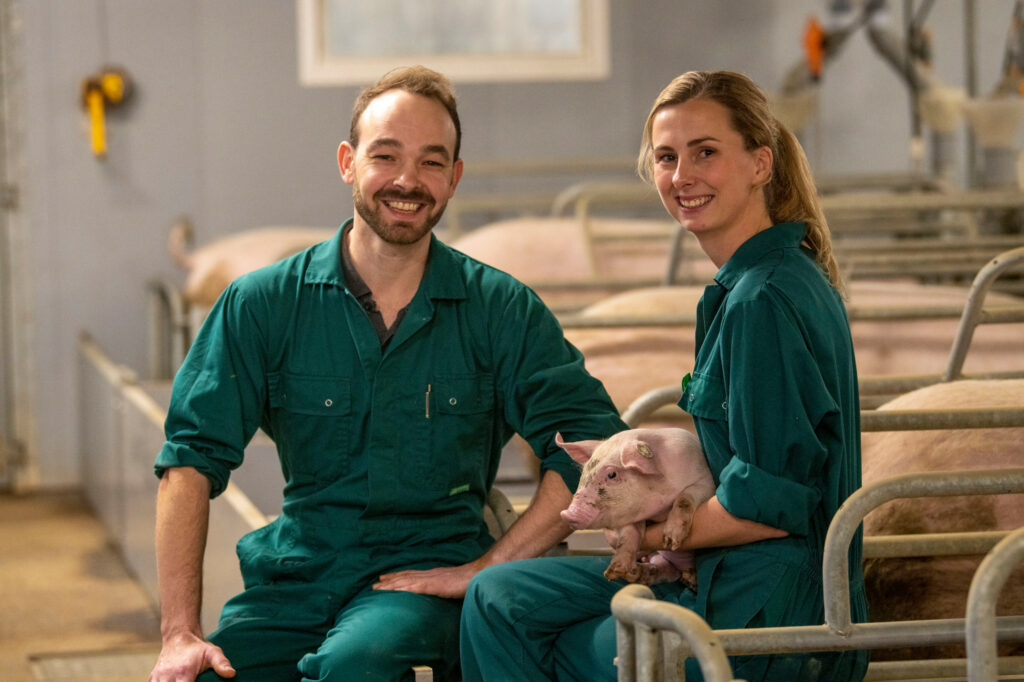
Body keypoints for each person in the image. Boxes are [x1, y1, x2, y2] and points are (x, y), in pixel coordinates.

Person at [147, 65, 627, 682]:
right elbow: (189, 461)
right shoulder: (262, 303)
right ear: (348, 162)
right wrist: (179, 633)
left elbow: (590, 450)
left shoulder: (500, 310)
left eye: (432, 162)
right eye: (386, 156)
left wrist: (490, 568)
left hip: (422, 582)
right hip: (297, 576)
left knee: (353, 666)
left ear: (454, 178)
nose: (408, 180)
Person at [460, 70, 870, 681]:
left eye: (706, 153)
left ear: (761, 163)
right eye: (666, 157)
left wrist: (639, 529)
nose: (682, 177)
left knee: (557, 645)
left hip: (766, 609)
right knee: (499, 595)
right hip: (718, 572)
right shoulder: (748, 286)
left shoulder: (764, 299)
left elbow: (769, 505)